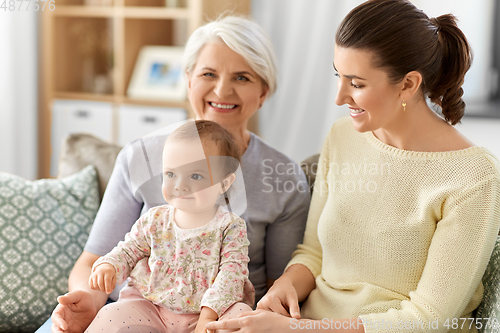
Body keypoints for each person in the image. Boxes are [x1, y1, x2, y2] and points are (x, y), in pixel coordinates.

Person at [206, 1, 500, 332]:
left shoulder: (474, 177)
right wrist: (286, 284)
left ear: (408, 84)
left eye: (356, 84)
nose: (339, 97)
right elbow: (314, 252)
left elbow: (429, 318)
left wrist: (294, 330)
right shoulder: (343, 135)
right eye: (338, 75)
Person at [44, 15, 311, 333]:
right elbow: (97, 258)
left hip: (221, 316)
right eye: (208, 74)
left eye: (242, 78)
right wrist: (89, 298)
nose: (222, 90)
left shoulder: (282, 176)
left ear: (263, 92)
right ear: (188, 81)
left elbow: (278, 284)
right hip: (138, 312)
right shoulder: (140, 156)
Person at [85, 120, 254, 332]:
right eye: (171, 174)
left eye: (196, 176)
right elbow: (128, 250)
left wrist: (208, 316)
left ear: (224, 183)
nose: (180, 185)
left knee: (241, 316)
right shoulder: (155, 219)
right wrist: (108, 266)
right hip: (152, 307)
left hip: (209, 312)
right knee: (111, 315)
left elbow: (232, 275)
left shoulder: (230, 227)